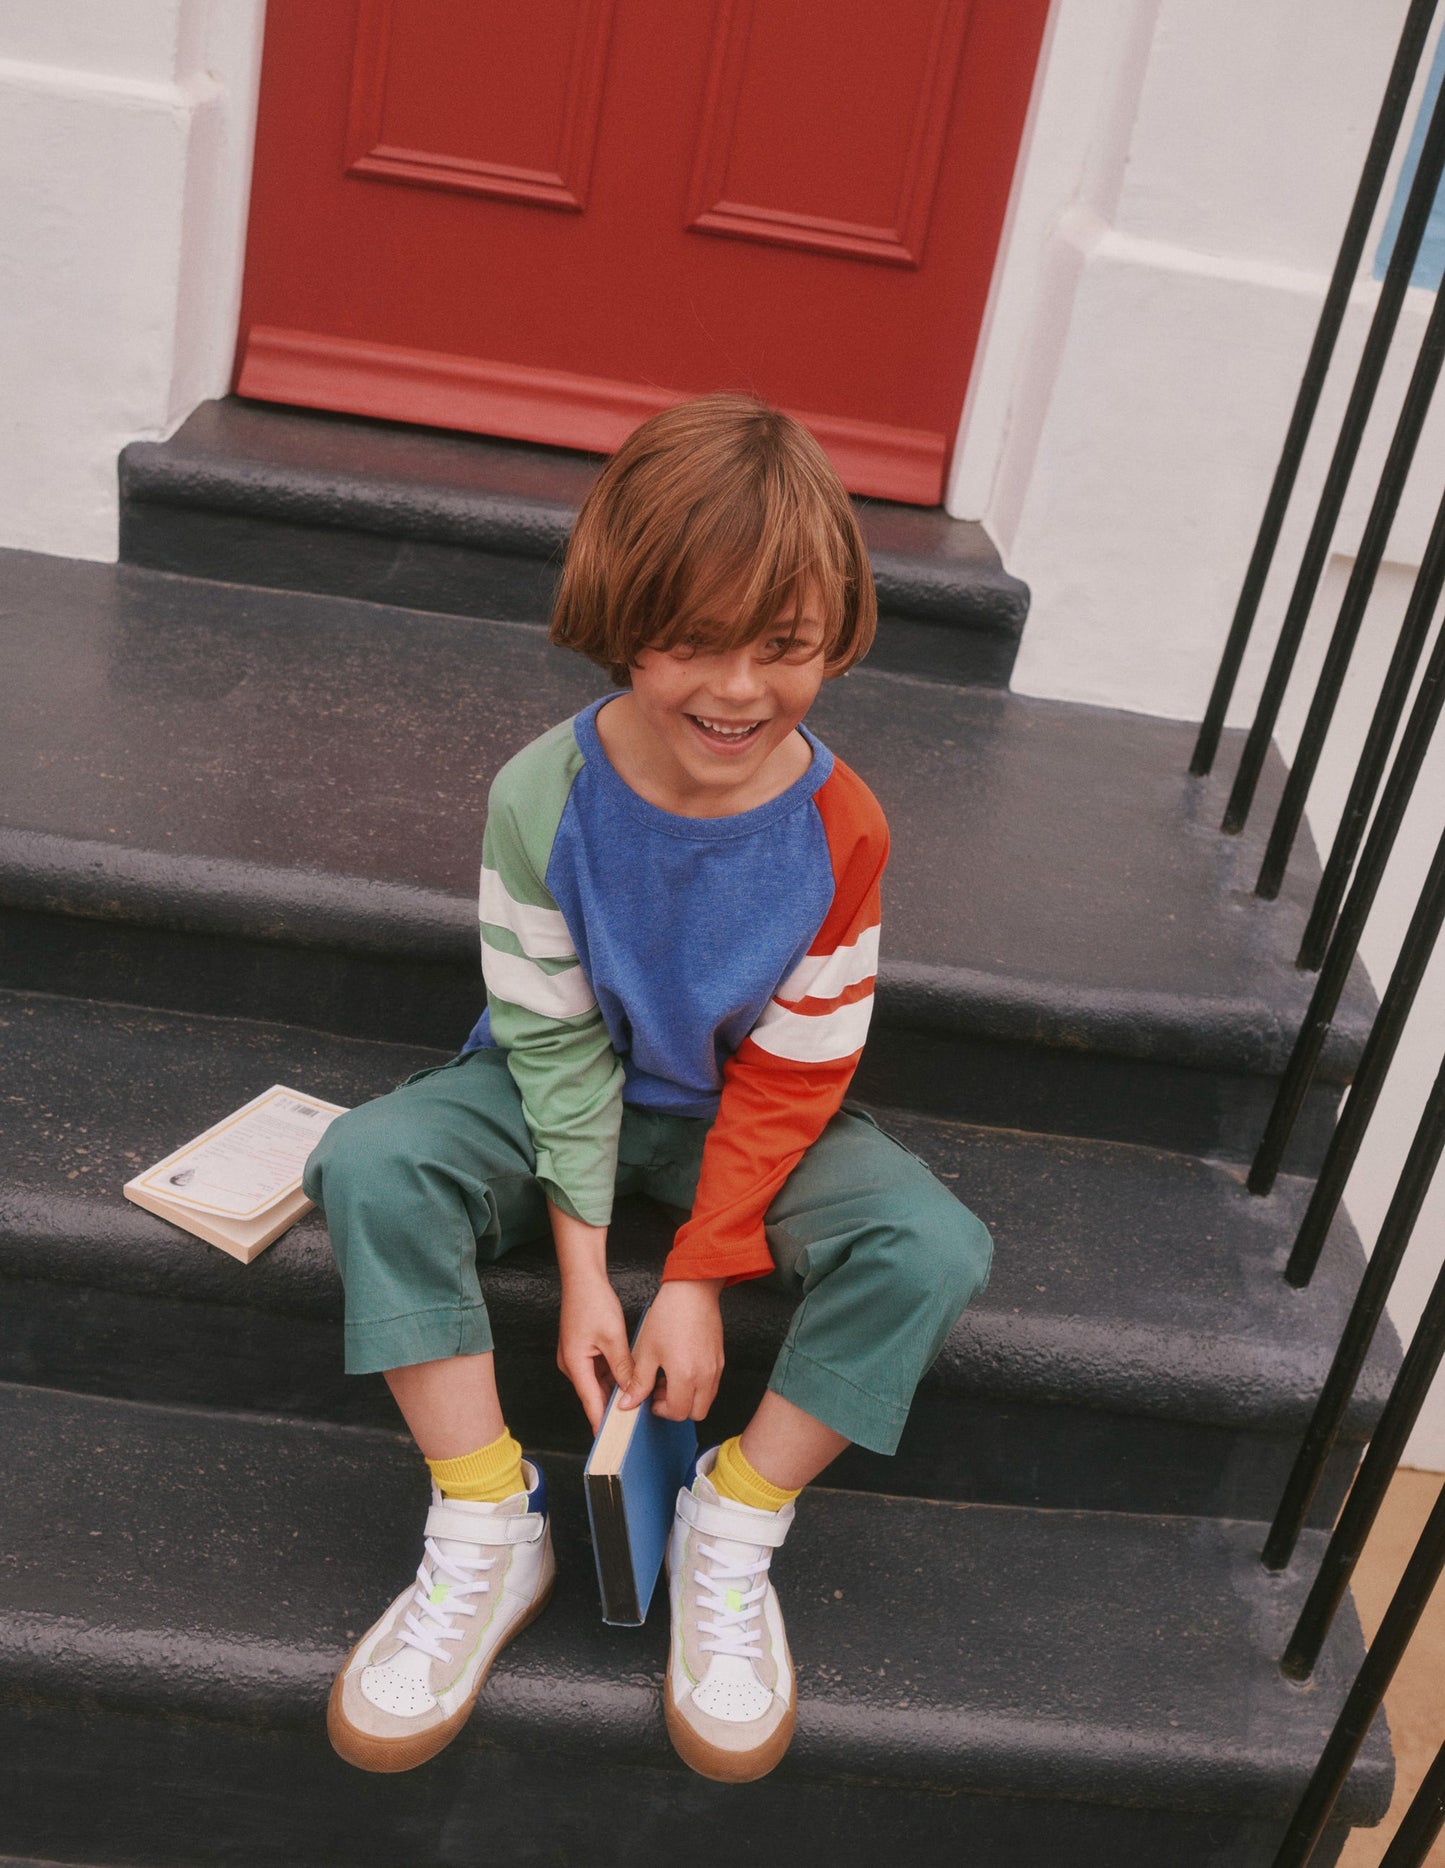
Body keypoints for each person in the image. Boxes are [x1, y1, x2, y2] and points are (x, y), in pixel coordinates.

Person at [302, 393, 993, 1783]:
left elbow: (797, 1077)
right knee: (373, 1162)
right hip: (551, 1093)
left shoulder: (840, 827)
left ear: (833, 639)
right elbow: (550, 1045)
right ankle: (489, 1519)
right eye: (693, 643)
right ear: (624, 623)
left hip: (747, 1117)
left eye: (784, 649)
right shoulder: (539, 793)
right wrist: (581, 1272)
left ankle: (730, 1528)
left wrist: (693, 1273)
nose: (739, 691)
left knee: (929, 1244)